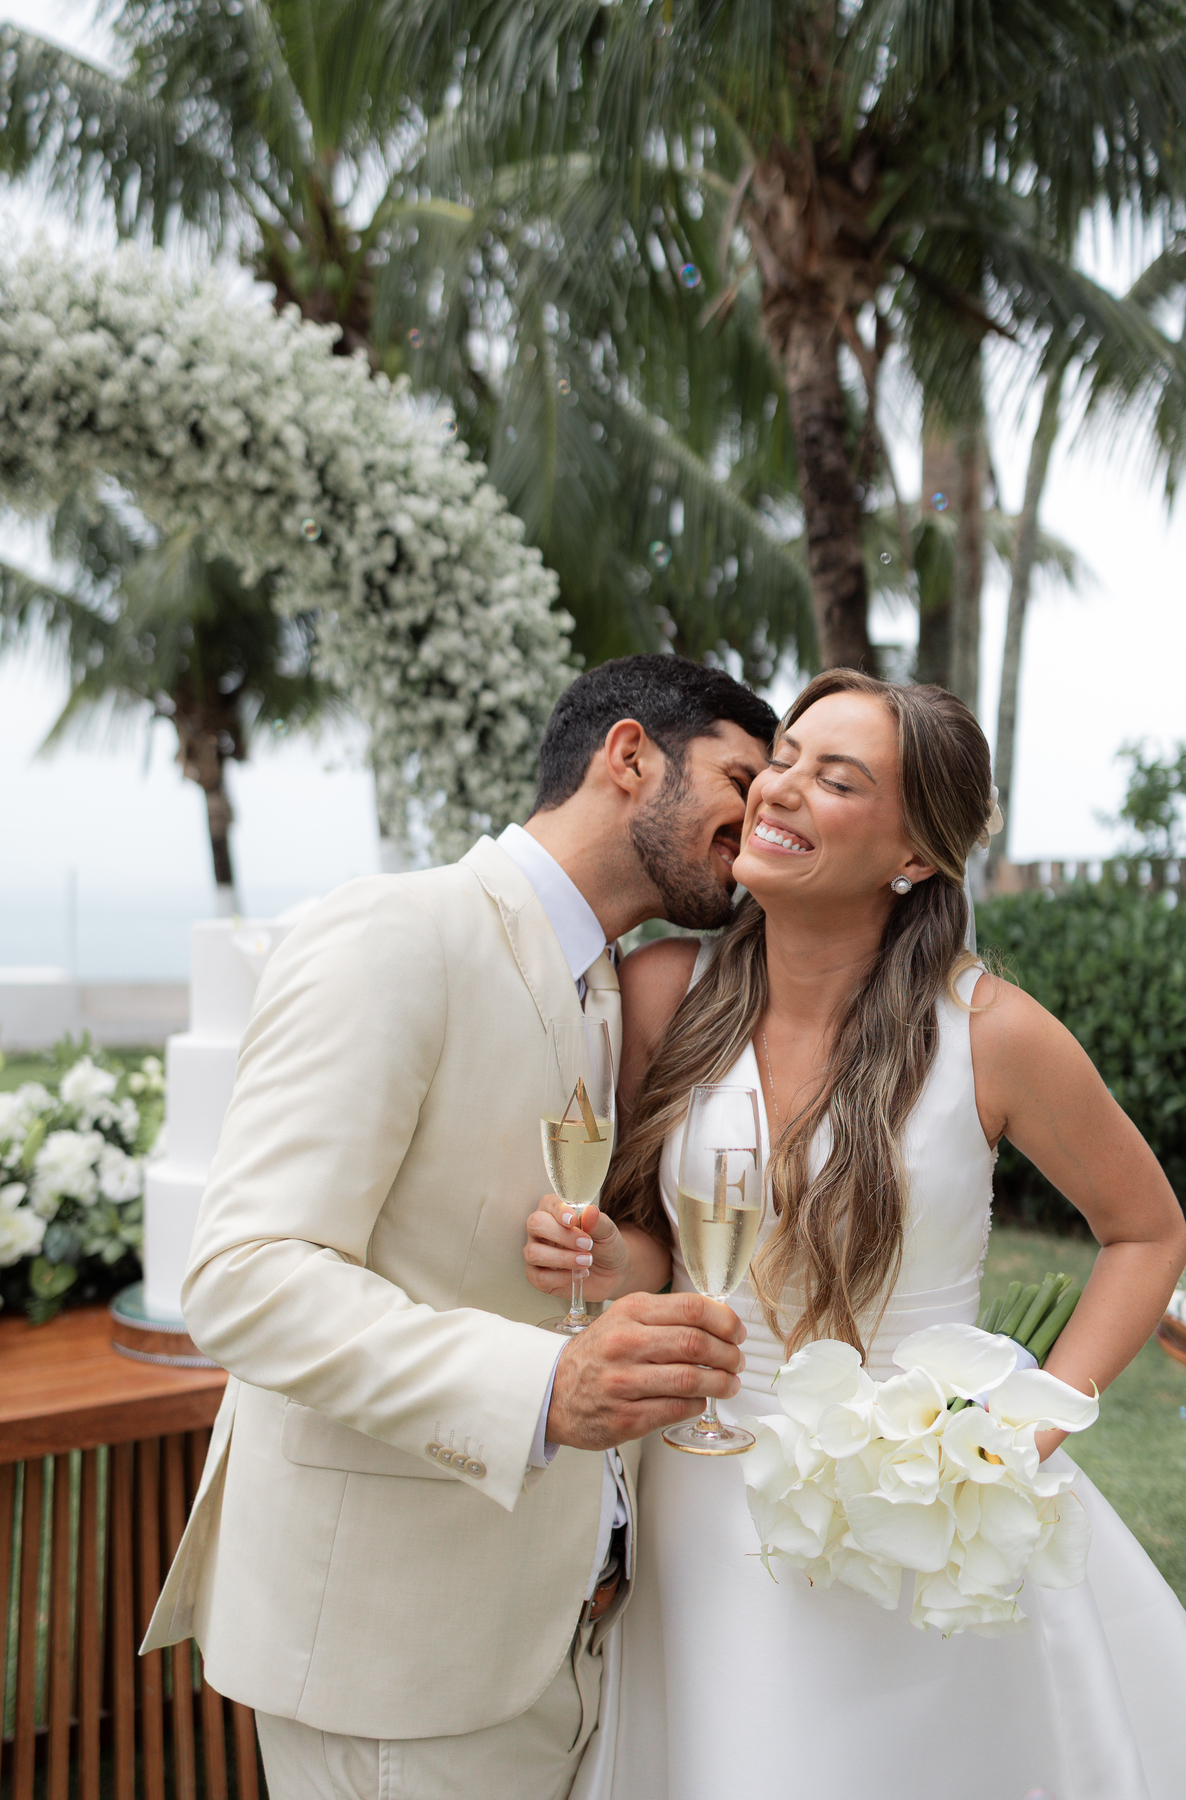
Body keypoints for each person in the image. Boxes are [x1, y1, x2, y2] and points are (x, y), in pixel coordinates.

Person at [525, 669, 1186, 1800]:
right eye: (783, 760)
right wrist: (602, 1260)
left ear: (915, 855)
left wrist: (1021, 1435)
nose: (780, 790)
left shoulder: (991, 1033)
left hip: (923, 1519)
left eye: (835, 780)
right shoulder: (664, 992)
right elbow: (659, 1250)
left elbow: (1148, 1234)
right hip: (706, 1498)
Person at [142, 653, 779, 1800]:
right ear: (630, 757)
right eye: (742, 778)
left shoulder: (613, 987)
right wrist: (543, 1388)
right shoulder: (395, 931)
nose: (761, 816)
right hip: (393, 1662)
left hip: (556, 1638)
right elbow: (246, 1275)